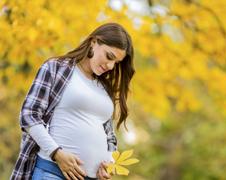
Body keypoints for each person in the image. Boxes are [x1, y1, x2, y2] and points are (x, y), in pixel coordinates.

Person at [10, 22, 135, 180]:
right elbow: (29, 115)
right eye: (109, 56)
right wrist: (57, 153)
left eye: (116, 62)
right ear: (94, 42)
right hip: (53, 172)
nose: (110, 65)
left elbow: (109, 134)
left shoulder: (104, 88)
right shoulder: (56, 68)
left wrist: (108, 164)